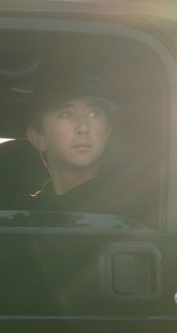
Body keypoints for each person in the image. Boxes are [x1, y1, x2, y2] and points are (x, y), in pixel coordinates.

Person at [21, 62, 150, 223]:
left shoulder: (128, 213)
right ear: (37, 138)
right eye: (66, 114)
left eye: (94, 114)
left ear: (107, 132)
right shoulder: (16, 214)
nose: (83, 127)